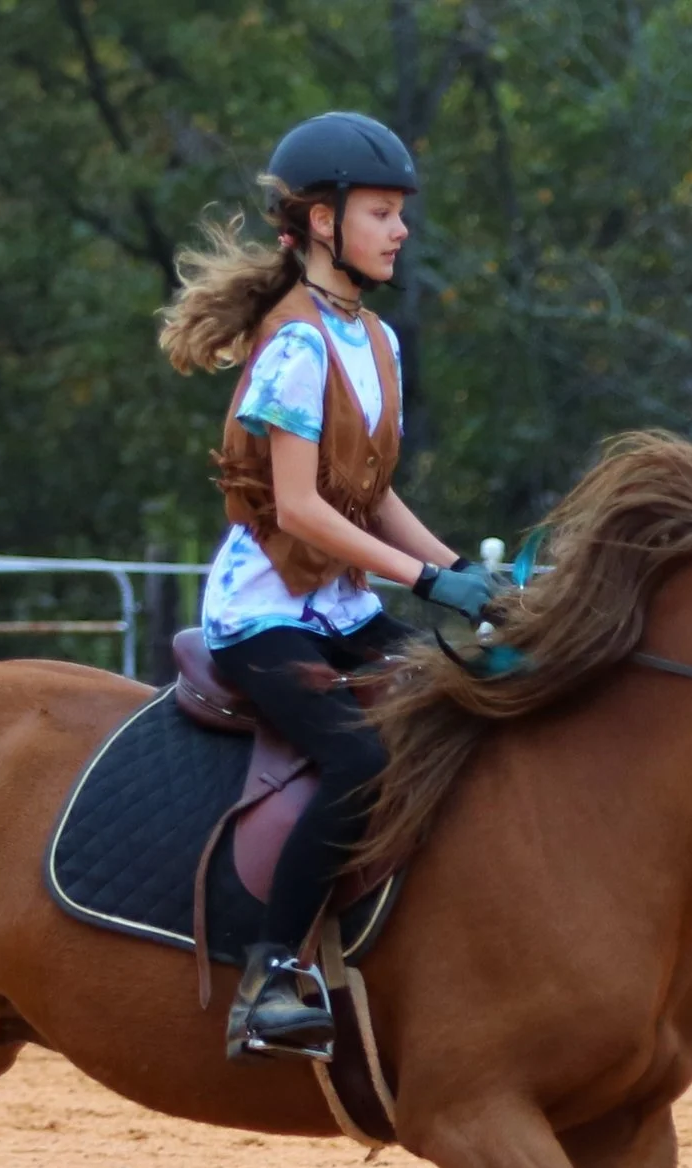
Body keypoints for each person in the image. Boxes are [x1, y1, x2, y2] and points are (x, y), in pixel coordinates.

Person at [158, 111, 503, 1061]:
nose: (401, 230)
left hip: (341, 607)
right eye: (382, 213)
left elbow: (372, 491)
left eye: (400, 213)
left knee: (465, 703)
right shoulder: (298, 347)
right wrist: (426, 579)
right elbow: (303, 508)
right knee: (359, 761)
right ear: (322, 221)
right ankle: (271, 974)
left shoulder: (375, 339)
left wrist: (461, 575)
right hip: (264, 614)